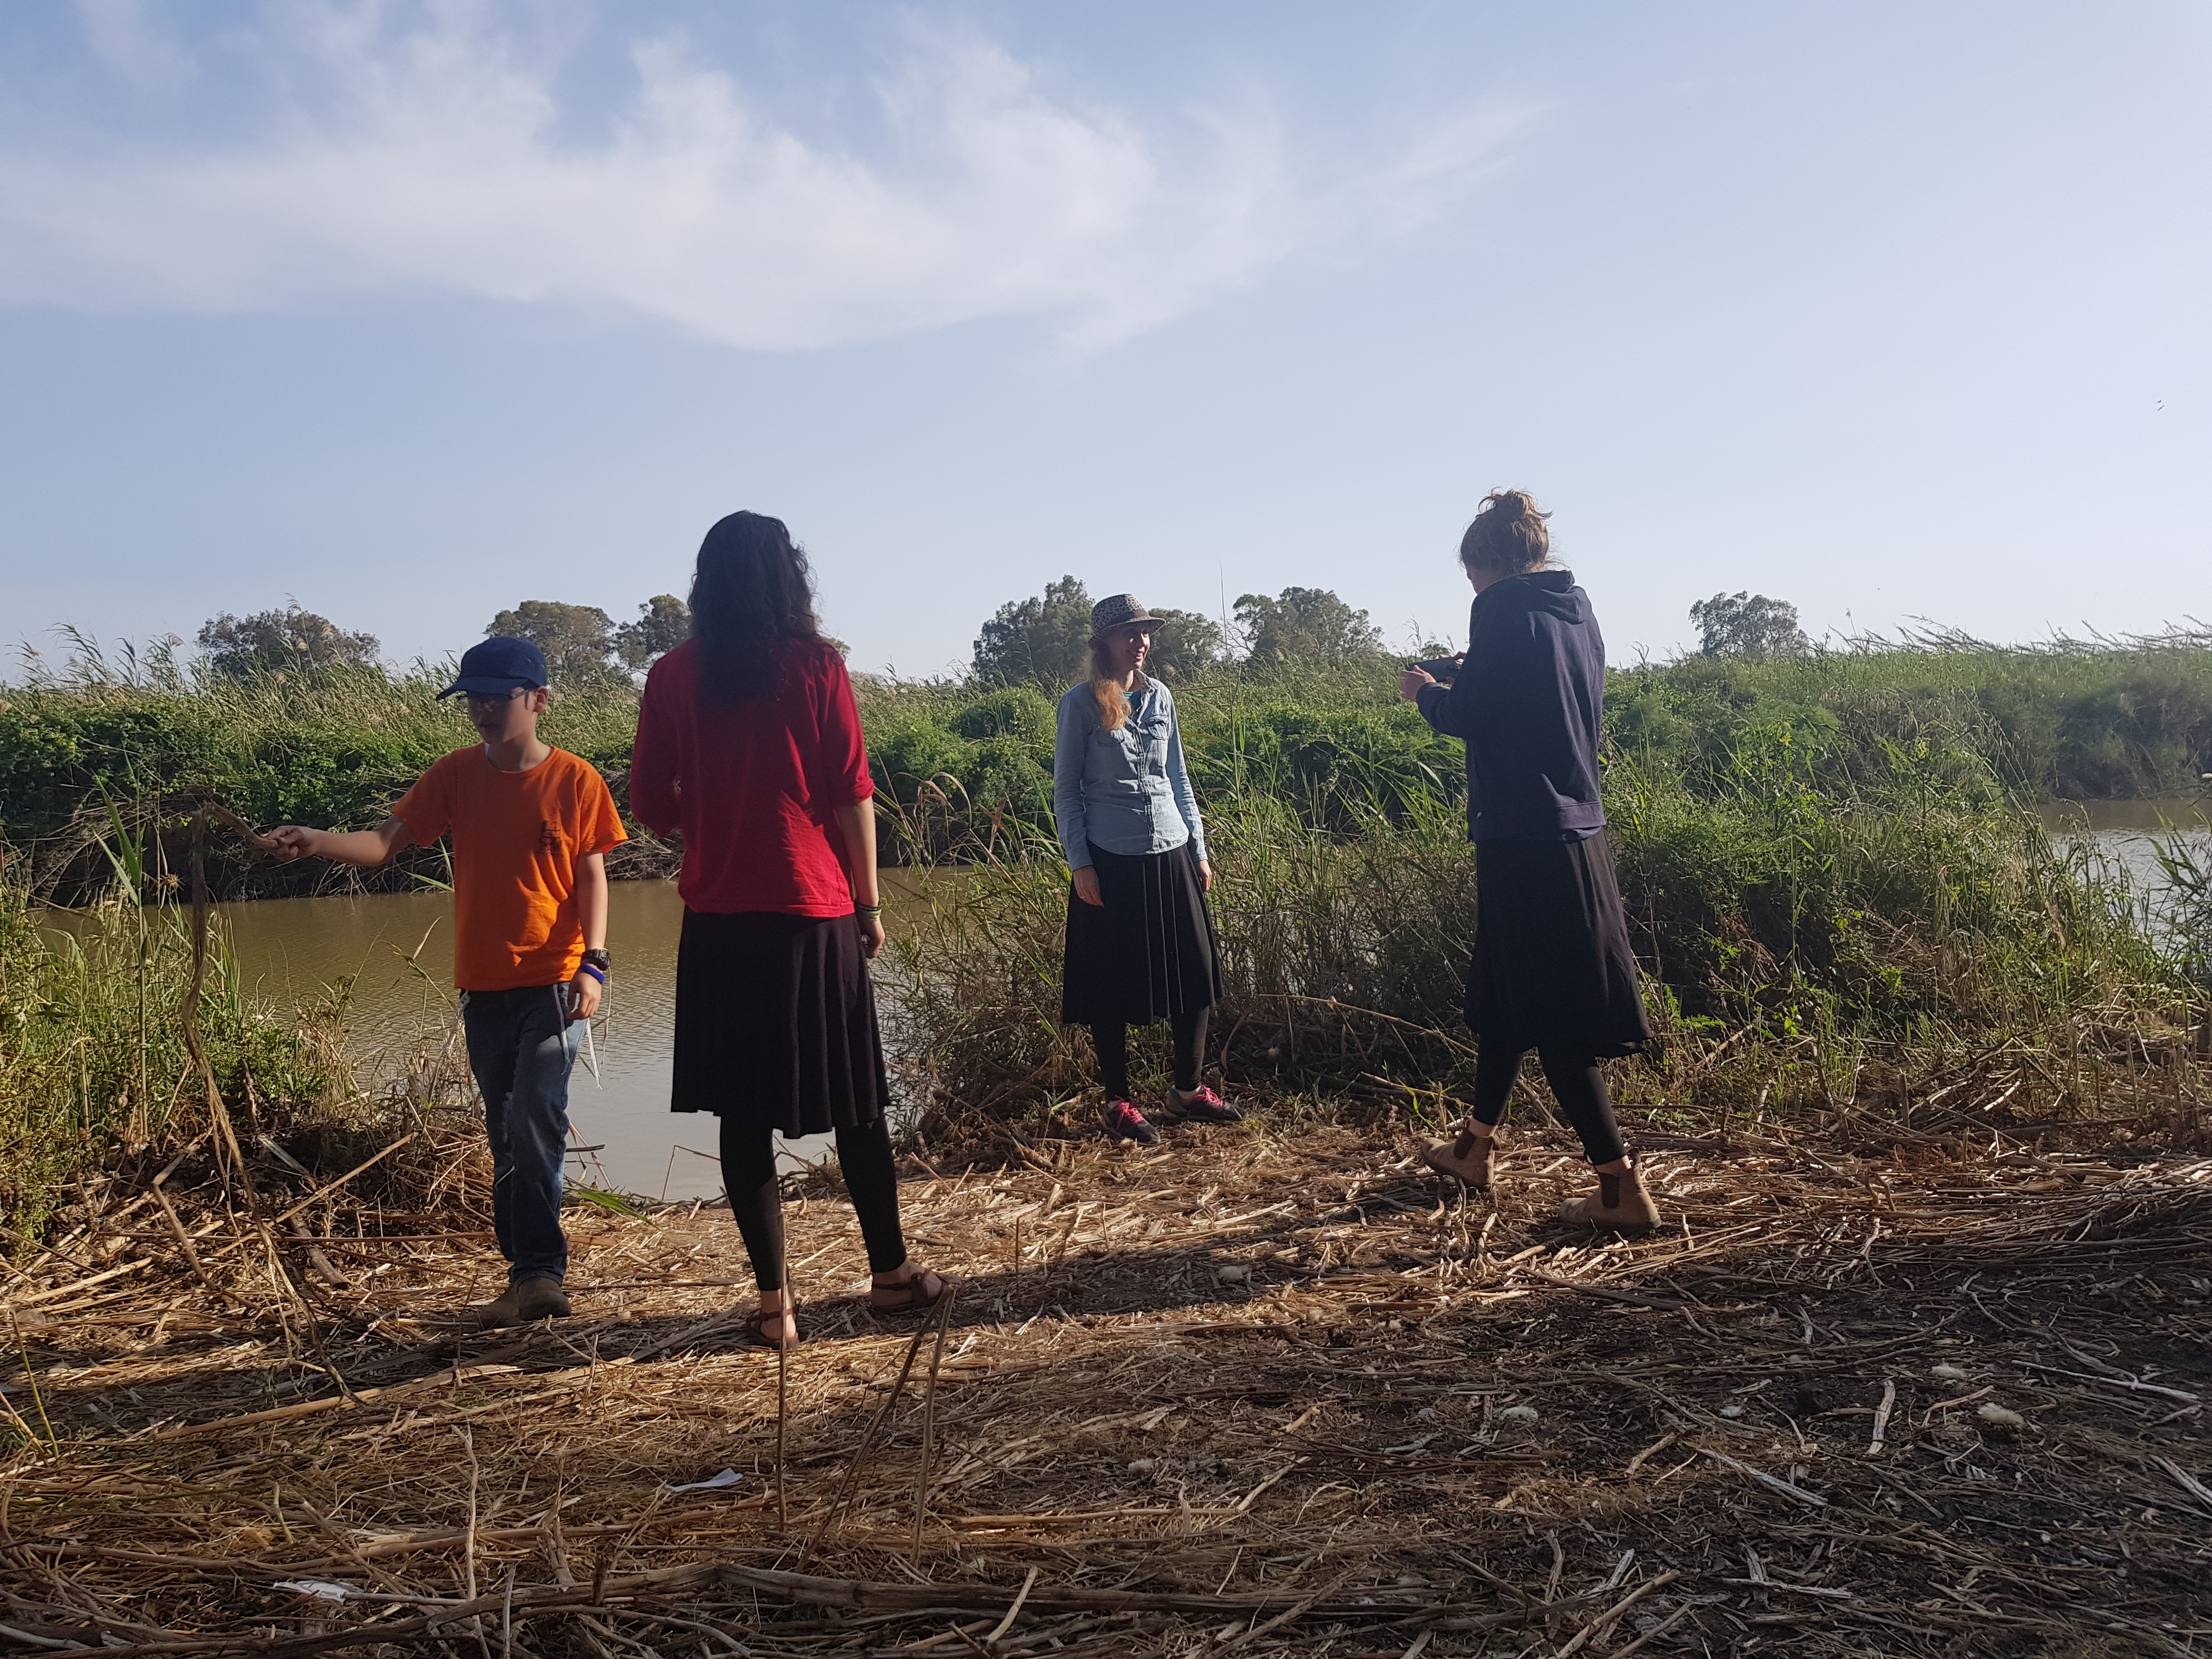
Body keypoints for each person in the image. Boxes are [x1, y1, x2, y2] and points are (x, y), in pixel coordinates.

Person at [630, 511, 953, 1350]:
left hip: (720, 922)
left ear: (706, 583)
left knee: (742, 1117)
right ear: (788, 577)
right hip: (816, 913)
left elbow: (652, 803)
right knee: (857, 1106)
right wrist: (870, 904)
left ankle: (776, 1307)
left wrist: (713, 821)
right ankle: (891, 1278)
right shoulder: (817, 666)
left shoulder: (671, 675)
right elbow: (852, 791)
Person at [268, 636, 628, 1324]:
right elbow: (383, 844)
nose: (483, 711)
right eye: (473, 700)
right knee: (506, 1132)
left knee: (536, 1117)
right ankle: (523, 1278)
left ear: (539, 701)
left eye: (497, 698)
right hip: (483, 987)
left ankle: (541, 1272)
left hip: (555, 981)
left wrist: (595, 962)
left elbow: (591, 876)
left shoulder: (576, 780)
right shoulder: (455, 775)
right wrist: (314, 840)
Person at [1400, 490, 1660, 1229]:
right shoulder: (1574, 609)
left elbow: (1469, 716)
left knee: (1554, 1016)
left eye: (1472, 575)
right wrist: (1475, 670)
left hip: (1523, 837)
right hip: (1577, 831)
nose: (1472, 586)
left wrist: (1427, 693)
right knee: (1509, 998)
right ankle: (1473, 1148)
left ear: (1488, 565)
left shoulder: (1501, 608)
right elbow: (1532, 699)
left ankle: (1619, 1188)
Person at [1053, 593, 1237, 1145]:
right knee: (1110, 983)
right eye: (1130, 633)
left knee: (1195, 970)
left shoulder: (1161, 696)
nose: (1142, 641)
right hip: (1110, 857)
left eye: (1146, 632)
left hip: (1171, 848)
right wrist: (1081, 864)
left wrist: (1198, 848)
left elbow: (1178, 777)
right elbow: (1067, 793)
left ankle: (1187, 1091)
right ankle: (1118, 1103)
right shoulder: (1080, 704)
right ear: (1104, 642)